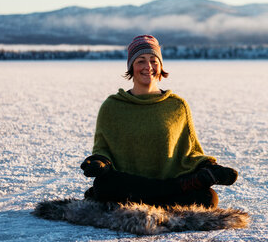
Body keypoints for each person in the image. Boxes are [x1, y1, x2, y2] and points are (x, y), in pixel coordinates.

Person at [81, 35, 238, 208]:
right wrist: (100, 162)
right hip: (131, 184)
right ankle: (173, 190)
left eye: (153, 60)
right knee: (104, 185)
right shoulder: (112, 106)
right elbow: (103, 148)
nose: (148, 67)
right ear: (131, 66)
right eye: (141, 60)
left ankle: (159, 194)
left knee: (208, 198)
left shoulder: (177, 105)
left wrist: (211, 167)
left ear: (161, 66)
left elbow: (190, 151)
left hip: (141, 192)